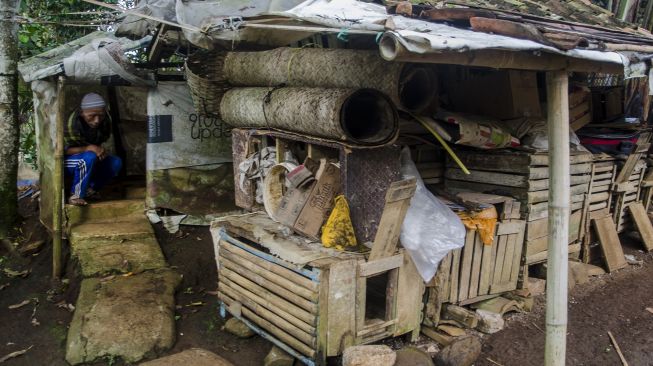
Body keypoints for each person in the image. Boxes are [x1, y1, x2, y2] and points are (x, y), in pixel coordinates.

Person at [64, 93, 122, 206]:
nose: (97, 120)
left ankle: (90, 190)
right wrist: (88, 148)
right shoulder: (70, 124)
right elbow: (61, 151)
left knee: (115, 162)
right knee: (89, 157)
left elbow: (98, 144)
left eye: (100, 115)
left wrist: (98, 151)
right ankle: (75, 196)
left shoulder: (105, 122)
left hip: (89, 157)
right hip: (66, 162)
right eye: (92, 115)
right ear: (82, 113)